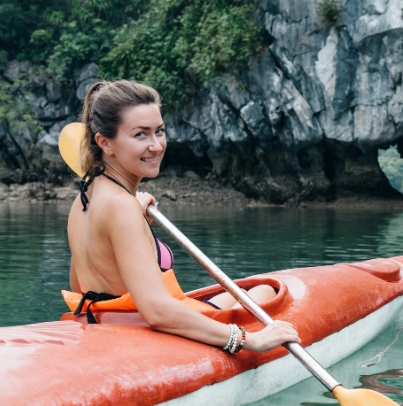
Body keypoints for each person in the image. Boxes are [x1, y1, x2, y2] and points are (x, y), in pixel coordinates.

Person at [64, 80, 299, 353]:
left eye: (159, 131)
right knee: (264, 294)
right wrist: (248, 339)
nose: (156, 145)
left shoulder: (84, 198)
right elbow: (156, 311)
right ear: (105, 142)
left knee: (252, 292)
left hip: (104, 321)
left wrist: (134, 225)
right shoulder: (122, 207)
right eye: (141, 135)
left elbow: (81, 285)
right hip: (140, 330)